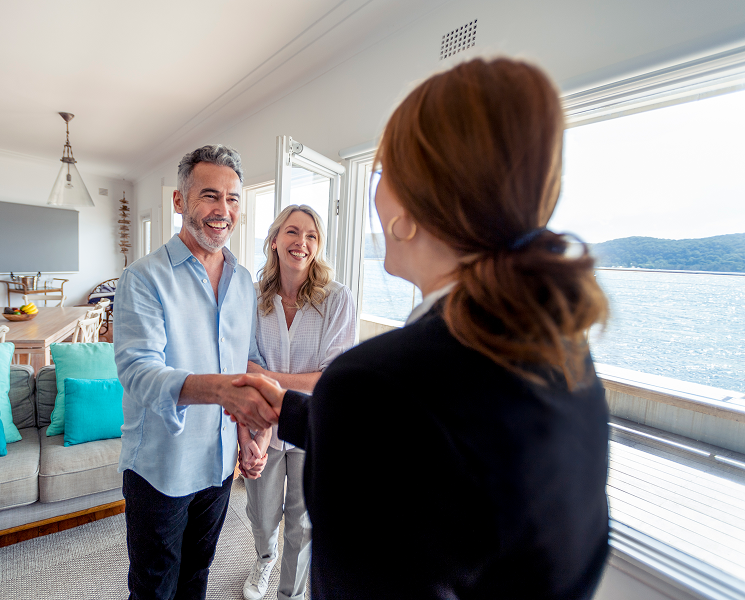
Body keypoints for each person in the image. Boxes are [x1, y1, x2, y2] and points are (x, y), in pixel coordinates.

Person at [234, 58, 612, 599]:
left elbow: (394, 432)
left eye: (383, 174)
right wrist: (284, 407)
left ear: (406, 210)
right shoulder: (564, 350)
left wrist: (324, 404)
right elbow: (428, 453)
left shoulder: (372, 382)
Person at [114, 144, 277, 600]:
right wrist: (226, 393)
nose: (223, 211)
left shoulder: (242, 281)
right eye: (210, 195)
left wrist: (250, 431)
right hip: (161, 466)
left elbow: (247, 361)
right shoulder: (143, 278)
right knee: (154, 588)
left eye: (233, 199)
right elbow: (139, 372)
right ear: (180, 201)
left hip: (220, 463)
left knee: (196, 579)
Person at [237, 205, 356, 600]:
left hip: (310, 426)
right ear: (274, 241)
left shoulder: (337, 301)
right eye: (292, 232)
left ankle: (291, 594)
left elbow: (329, 378)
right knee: (263, 513)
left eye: (311, 235)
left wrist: (269, 380)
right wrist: (273, 391)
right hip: (262, 423)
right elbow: (244, 366)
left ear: (318, 246)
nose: (300, 242)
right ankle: (264, 559)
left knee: (302, 522)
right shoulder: (252, 298)